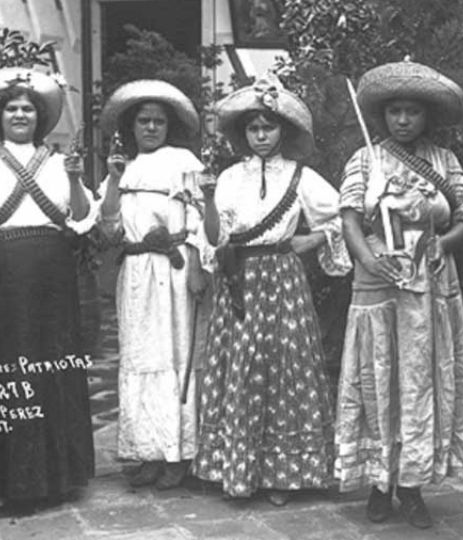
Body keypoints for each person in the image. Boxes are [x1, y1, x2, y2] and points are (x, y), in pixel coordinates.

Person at [0, 67, 99, 507]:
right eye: (12, 108)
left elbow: (80, 219)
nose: (21, 114)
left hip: (51, 281)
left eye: (28, 108)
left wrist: (78, 177)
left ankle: (55, 478)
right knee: (3, 371)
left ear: (40, 117)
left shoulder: (61, 162)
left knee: (49, 370)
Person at [335, 59, 463, 529]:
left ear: (426, 117)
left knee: (419, 380)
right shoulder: (365, 159)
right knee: (379, 377)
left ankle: (412, 486)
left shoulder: (444, 161)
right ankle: (380, 485)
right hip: (378, 283)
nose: (403, 120)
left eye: (412, 112)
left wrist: (444, 240)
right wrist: (367, 258)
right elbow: (348, 221)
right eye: (395, 111)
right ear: (382, 115)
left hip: (430, 281)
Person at [192, 77, 352, 506]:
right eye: (253, 129)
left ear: (285, 131)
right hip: (239, 280)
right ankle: (238, 468)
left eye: (269, 127)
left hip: (282, 279)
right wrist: (207, 200)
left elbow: (341, 216)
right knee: (240, 366)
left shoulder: (301, 177)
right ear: (241, 134)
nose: (261, 136)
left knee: (286, 367)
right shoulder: (227, 177)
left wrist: (312, 240)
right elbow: (214, 236)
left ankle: (284, 474)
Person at [98, 79, 208, 490]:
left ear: (169, 125)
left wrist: (197, 268)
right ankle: (147, 452)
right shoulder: (121, 168)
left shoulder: (184, 162)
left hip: (175, 270)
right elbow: (108, 227)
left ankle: (178, 454)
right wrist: (111, 180)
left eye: (158, 121)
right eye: (143, 120)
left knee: (176, 356)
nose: (150, 127)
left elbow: (198, 221)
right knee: (141, 357)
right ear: (131, 126)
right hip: (137, 273)